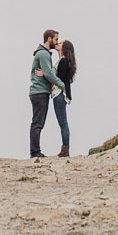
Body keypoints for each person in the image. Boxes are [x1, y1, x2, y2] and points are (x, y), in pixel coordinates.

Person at [28, 29, 65, 159]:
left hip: (39, 91)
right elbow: (49, 74)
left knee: (38, 122)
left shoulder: (43, 54)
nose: (57, 42)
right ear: (49, 39)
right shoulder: (43, 54)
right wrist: (62, 85)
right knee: (38, 122)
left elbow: (47, 73)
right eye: (55, 39)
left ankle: (35, 150)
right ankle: (34, 152)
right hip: (39, 92)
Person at [51, 39, 77, 157]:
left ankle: (65, 149)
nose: (58, 44)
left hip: (60, 94)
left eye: (60, 43)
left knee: (63, 122)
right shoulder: (64, 61)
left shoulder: (63, 61)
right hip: (61, 95)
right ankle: (65, 148)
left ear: (64, 48)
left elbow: (59, 79)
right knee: (63, 122)